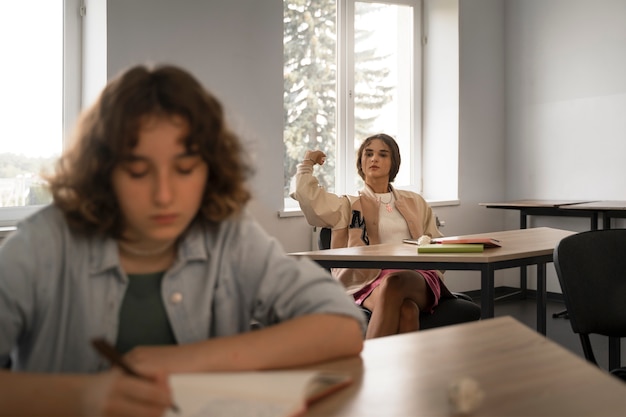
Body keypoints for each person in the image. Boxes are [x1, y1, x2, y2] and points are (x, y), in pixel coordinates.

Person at [0, 64, 365, 417]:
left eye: (185, 169)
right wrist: (83, 399)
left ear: (210, 168)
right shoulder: (41, 246)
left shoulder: (227, 237)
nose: (164, 195)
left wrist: (186, 360)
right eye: (138, 171)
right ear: (101, 172)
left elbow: (342, 325)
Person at [291, 133, 453, 339]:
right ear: (361, 161)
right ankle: (403, 370)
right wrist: (307, 161)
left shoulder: (416, 202)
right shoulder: (348, 205)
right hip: (368, 280)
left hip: (417, 276)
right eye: (368, 154)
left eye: (383, 154)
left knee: (395, 281)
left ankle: (364, 366)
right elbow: (308, 197)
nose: (374, 159)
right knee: (407, 312)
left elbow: (434, 241)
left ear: (393, 162)